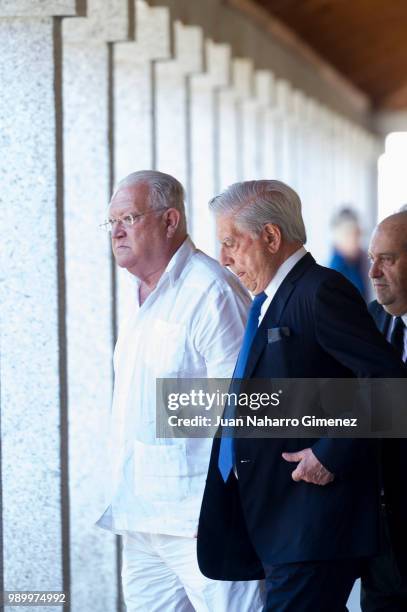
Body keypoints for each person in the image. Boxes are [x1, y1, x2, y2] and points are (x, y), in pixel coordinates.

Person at [197, 180, 407, 612]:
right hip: (279, 523)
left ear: (271, 237)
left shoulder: (319, 290)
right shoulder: (270, 300)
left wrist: (331, 453)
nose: (224, 258)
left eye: (231, 243)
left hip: (313, 525)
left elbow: (387, 380)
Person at [96, 171, 263, 611]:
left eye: (129, 218)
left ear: (170, 221)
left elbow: (244, 404)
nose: (116, 231)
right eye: (111, 222)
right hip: (140, 520)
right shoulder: (139, 298)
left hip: (199, 522)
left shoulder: (210, 291)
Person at [361, 211, 407, 611]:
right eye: (372, 257)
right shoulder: (372, 320)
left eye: (387, 259)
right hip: (383, 547)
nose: (373, 270)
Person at [329, 207, 370, 300]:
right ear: (338, 237)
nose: (354, 240)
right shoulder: (335, 268)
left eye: (357, 234)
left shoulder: (363, 259)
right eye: (348, 235)